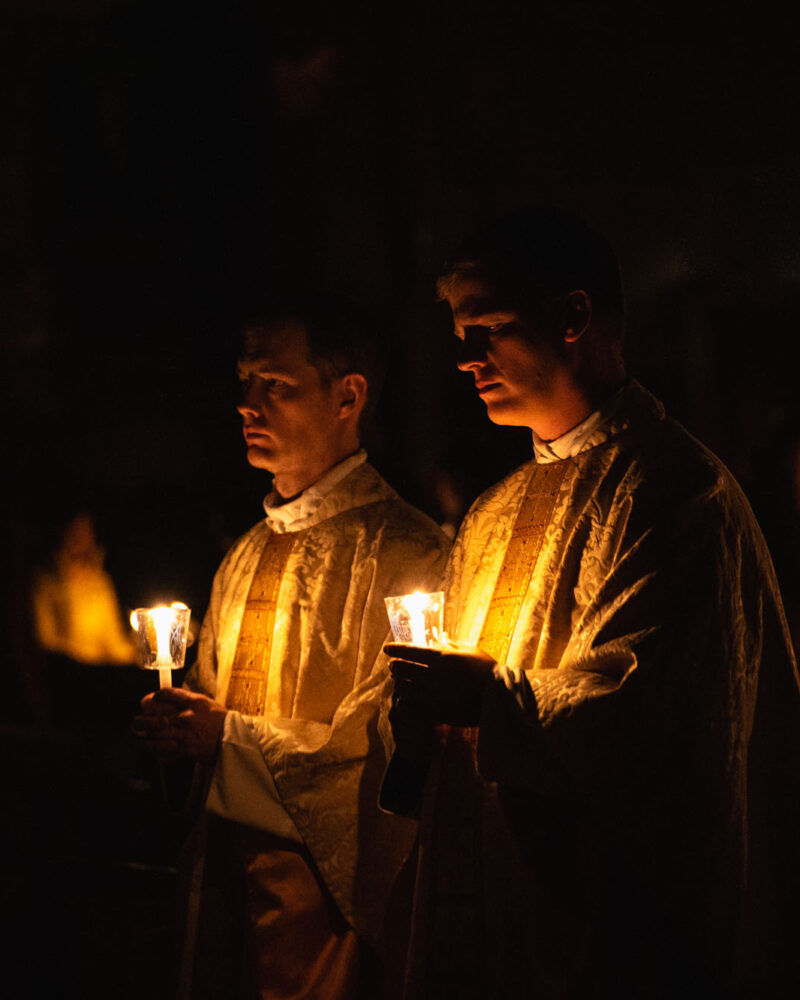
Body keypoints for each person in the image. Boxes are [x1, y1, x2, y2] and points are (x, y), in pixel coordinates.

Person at [383, 208, 800, 999]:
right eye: (460, 332)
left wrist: (488, 699)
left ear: (574, 315)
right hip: (506, 890)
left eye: (490, 328)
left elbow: (656, 711)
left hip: (620, 918)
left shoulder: (677, 490)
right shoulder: (491, 511)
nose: (465, 359)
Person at [134, 296, 449, 999]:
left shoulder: (405, 552)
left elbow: (389, 750)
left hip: (332, 914)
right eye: (245, 381)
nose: (247, 403)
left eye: (275, 385)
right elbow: (207, 726)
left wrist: (229, 738)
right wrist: (178, 733)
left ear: (348, 396)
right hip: (224, 888)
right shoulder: (244, 555)